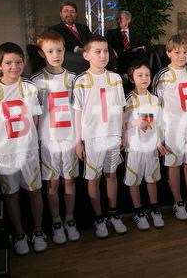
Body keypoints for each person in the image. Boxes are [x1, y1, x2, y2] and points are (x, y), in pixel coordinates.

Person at [0, 42, 47, 255]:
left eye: (18, 62)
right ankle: (19, 234)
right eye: (8, 63)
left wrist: (30, 141)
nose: (14, 67)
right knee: (12, 195)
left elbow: (36, 118)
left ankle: (37, 231)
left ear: (23, 63)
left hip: (28, 150)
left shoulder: (29, 87)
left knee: (35, 191)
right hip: (7, 153)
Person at [73, 35, 127, 239]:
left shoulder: (115, 78)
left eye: (105, 51)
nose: (103, 55)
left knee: (111, 175)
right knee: (93, 178)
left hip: (112, 135)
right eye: (97, 51)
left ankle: (113, 214)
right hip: (93, 138)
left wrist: (123, 133)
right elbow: (77, 112)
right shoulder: (81, 81)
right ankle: (99, 218)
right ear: (86, 55)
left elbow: (121, 108)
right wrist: (78, 140)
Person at [30, 30, 80, 245]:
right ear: (42, 53)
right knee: (52, 183)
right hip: (48, 141)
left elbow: (79, 111)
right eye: (50, 51)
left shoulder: (74, 79)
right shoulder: (35, 81)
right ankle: (56, 221)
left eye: (59, 50)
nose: (56, 54)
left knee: (69, 180)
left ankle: (70, 219)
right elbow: (34, 116)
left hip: (69, 138)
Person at [152, 35, 187, 221]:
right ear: (168, 53)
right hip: (172, 127)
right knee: (173, 164)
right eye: (177, 52)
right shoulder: (162, 76)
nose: (182, 56)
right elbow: (156, 105)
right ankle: (178, 201)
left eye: (185, 52)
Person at [123, 59, 166, 230]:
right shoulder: (128, 99)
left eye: (147, 75)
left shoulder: (155, 99)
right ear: (132, 78)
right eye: (139, 75)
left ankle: (154, 209)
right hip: (134, 147)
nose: (144, 78)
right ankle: (138, 212)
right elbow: (121, 123)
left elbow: (158, 124)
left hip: (151, 147)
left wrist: (158, 142)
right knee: (134, 180)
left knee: (152, 179)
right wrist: (135, 123)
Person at [50, 1, 93, 74]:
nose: (69, 14)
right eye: (66, 11)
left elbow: (92, 40)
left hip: (89, 56)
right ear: (61, 14)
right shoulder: (55, 29)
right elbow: (59, 45)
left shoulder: (83, 28)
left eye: (72, 12)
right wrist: (77, 49)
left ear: (76, 14)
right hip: (71, 59)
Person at [105, 10, 146, 76]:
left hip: (133, 55)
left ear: (128, 20)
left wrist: (140, 48)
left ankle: (145, 73)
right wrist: (112, 50)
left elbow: (142, 45)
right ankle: (126, 75)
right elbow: (105, 44)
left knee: (141, 52)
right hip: (119, 56)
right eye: (117, 19)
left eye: (120, 19)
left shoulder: (136, 33)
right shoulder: (111, 32)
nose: (118, 21)